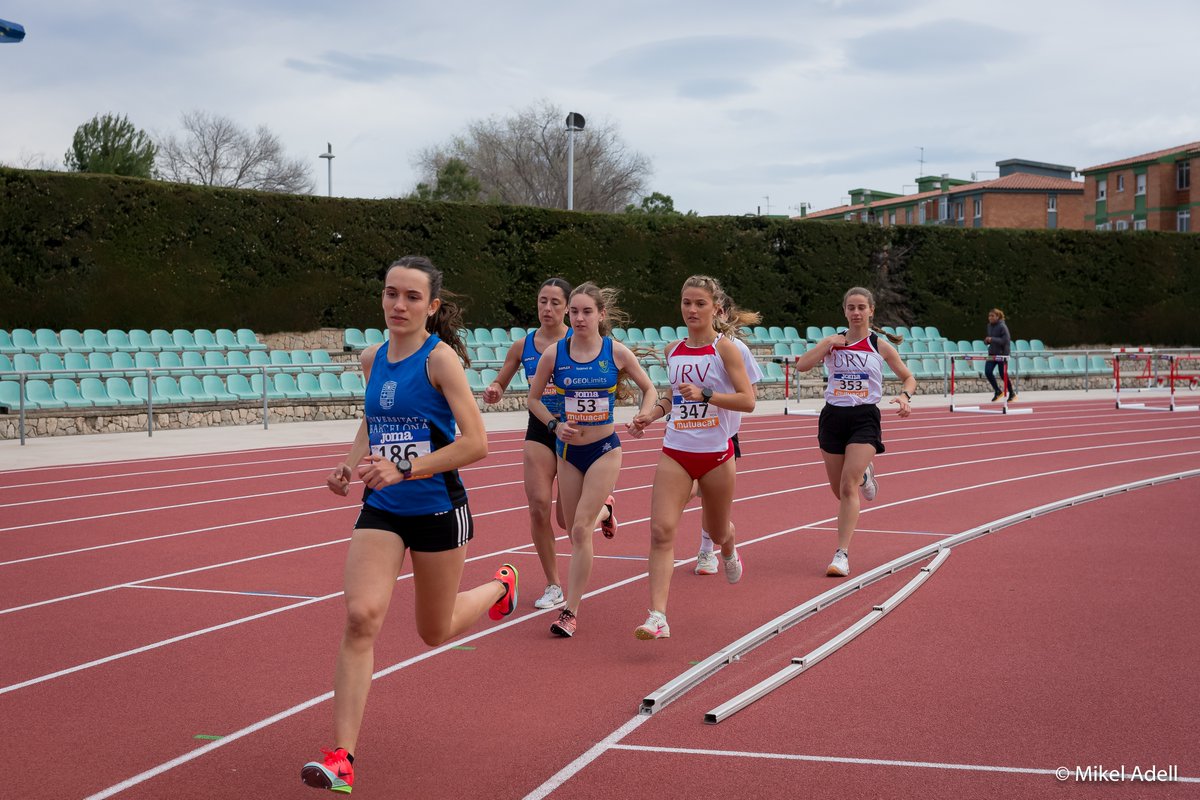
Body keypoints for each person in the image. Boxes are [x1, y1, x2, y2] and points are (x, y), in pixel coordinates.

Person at [301, 256, 518, 794]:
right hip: (383, 507)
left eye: (412, 297)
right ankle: (342, 757)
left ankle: (501, 585)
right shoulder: (373, 358)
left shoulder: (440, 362)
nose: (399, 305)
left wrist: (406, 468)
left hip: (439, 507)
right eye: (391, 294)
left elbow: (477, 444)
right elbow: (375, 420)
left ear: (432, 306)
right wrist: (353, 464)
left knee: (434, 630)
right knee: (360, 617)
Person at [627, 276, 756, 639]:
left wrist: (707, 394)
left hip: (716, 454)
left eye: (700, 303)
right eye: (686, 302)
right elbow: (675, 398)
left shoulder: (725, 349)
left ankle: (727, 545)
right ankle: (657, 616)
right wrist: (651, 415)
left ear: (716, 307)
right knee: (660, 530)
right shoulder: (673, 350)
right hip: (676, 451)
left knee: (716, 530)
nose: (692, 310)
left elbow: (747, 400)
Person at [527, 282, 657, 637]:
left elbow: (649, 388)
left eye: (587, 311)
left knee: (581, 531)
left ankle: (570, 611)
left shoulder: (615, 352)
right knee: (571, 528)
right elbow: (533, 399)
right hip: (568, 452)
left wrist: (644, 414)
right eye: (575, 311)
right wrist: (554, 425)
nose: (580, 318)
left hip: (604, 450)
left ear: (601, 314)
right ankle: (606, 511)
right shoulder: (555, 353)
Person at [793, 286, 916, 579]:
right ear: (845, 311)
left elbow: (908, 377)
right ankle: (865, 475)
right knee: (839, 490)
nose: (856, 312)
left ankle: (842, 554)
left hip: (864, 417)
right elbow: (802, 366)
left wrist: (904, 397)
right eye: (851, 307)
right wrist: (827, 345)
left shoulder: (880, 346)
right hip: (833, 417)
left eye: (862, 307)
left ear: (871, 311)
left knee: (848, 487)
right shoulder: (832, 342)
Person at [483, 278, 573, 610]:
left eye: (554, 302)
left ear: (566, 306)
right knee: (538, 507)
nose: (547, 308)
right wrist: (494, 388)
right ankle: (554, 585)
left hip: (574, 430)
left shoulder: (578, 341)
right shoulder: (523, 346)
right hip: (539, 428)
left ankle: (602, 505)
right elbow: (502, 379)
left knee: (567, 519)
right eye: (542, 301)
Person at [693, 288, 763, 576]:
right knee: (690, 491)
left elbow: (750, 395)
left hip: (723, 434)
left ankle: (708, 549)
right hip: (690, 432)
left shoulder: (737, 349)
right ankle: (707, 548)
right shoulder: (689, 346)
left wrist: (713, 396)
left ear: (721, 312)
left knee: (713, 499)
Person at [985, 308, 1018, 402]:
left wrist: (992, 339)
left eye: (992, 316)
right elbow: (990, 340)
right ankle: (998, 391)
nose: (990, 318)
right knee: (987, 372)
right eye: (989, 316)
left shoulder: (1002, 326)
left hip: (1002, 354)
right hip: (992, 353)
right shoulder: (989, 326)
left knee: (1003, 374)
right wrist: (986, 341)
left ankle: (1012, 393)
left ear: (998, 316)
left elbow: (1006, 340)